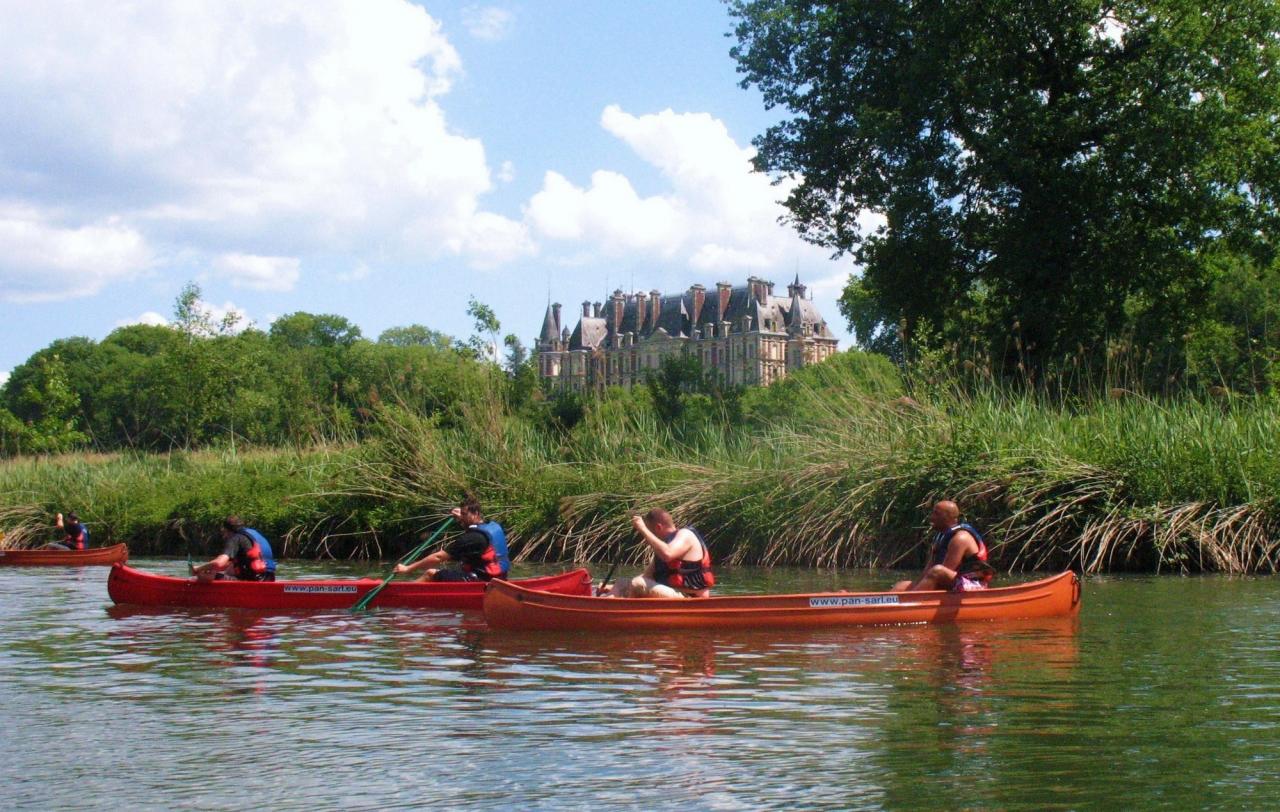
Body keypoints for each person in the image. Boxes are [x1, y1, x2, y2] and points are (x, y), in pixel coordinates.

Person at [601, 509, 714, 598]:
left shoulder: (685, 535)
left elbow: (668, 554)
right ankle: (603, 603)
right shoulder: (664, 547)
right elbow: (646, 577)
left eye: (651, 531)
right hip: (671, 594)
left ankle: (623, 615)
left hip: (690, 598)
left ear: (658, 527)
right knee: (622, 582)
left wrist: (642, 529)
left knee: (637, 584)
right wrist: (611, 587)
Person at [394, 495, 510, 582]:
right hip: (500, 579)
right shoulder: (492, 526)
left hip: (480, 580)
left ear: (476, 513)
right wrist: (462, 515)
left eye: (465, 514)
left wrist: (407, 568)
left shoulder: (472, 538)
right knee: (453, 572)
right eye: (462, 514)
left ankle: (403, 595)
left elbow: (438, 557)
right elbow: (473, 527)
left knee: (430, 573)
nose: (461, 518)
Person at [892, 500, 994, 592]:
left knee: (937, 571)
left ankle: (911, 605)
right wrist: (914, 587)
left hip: (972, 585)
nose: (931, 517)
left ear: (947, 517)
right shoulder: (941, 536)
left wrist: (915, 593)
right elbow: (928, 568)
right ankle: (884, 606)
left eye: (936, 514)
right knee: (902, 585)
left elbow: (944, 572)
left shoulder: (960, 538)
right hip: (949, 580)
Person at [192, 516, 277, 582]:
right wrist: (209, 567)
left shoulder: (235, 538)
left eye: (224, 532)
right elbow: (229, 565)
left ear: (227, 530)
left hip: (253, 581)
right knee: (224, 571)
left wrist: (198, 569)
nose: (224, 536)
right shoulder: (251, 535)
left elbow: (219, 563)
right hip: (269, 579)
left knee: (205, 576)